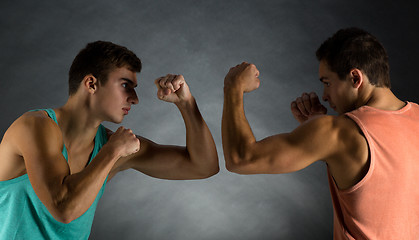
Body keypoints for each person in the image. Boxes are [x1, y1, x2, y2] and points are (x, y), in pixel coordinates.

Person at [0, 41, 219, 240]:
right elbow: (64, 208)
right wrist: (111, 153)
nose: (134, 99)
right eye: (126, 86)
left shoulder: (111, 144)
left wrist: (187, 104)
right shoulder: (34, 127)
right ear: (92, 84)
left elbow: (203, 166)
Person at [222, 27, 419, 239]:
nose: (324, 96)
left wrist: (233, 87)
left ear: (355, 78)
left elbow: (240, 158)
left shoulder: (339, 131)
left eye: (327, 83)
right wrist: (317, 125)